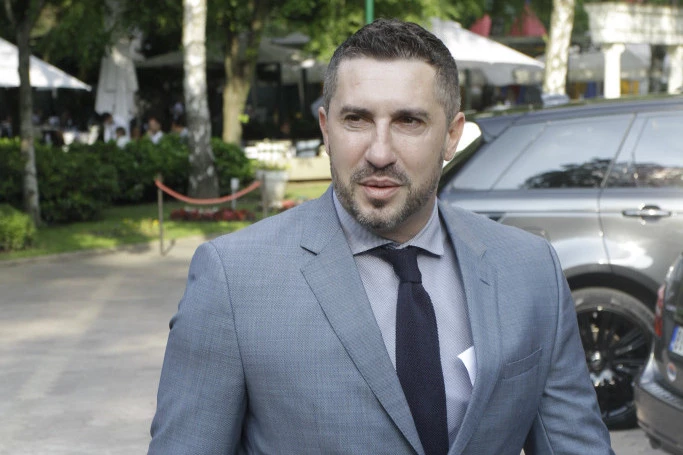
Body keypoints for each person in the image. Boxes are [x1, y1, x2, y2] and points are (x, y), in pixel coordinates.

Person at [148, 19, 613, 455]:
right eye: (357, 119)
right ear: (326, 129)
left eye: (409, 121)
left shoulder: (530, 270)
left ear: (452, 136)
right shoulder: (233, 280)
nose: (380, 152)